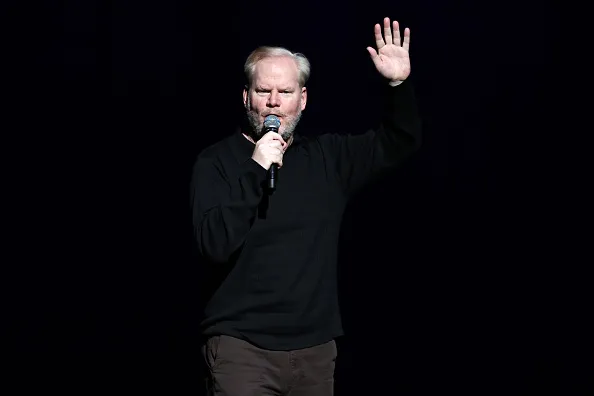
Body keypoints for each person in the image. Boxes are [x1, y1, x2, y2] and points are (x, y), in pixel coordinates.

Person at [190, 17, 421, 396]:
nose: (274, 102)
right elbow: (213, 245)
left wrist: (398, 85)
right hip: (242, 351)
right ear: (246, 96)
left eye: (286, 90)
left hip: (314, 354)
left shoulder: (327, 159)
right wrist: (256, 169)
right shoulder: (215, 163)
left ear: (303, 98)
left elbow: (400, 142)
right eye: (264, 90)